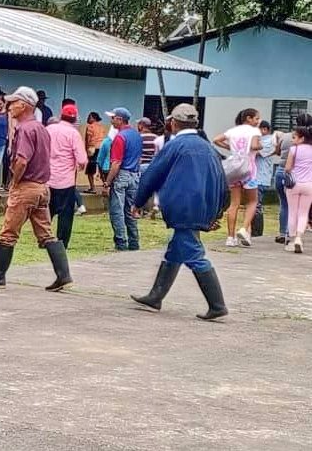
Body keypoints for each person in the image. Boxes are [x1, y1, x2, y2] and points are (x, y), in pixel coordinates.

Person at [129, 103, 229, 320]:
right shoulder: (209, 148)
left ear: (173, 123)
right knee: (176, 250)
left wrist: (138, 202)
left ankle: (217, 305)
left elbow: (152, 175)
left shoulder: (175, 146)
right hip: (203, 207)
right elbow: (223, 182)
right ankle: (155, 296)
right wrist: (219, 211)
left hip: (182, 207)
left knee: (194, 254)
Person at [0, 87, 72, 291]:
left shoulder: (25, 129)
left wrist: (14, 182)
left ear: (24, 105)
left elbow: (21, 160)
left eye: (14, 102)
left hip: (26, 187)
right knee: (46, 234)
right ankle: (63, 274)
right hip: (42, 188)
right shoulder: (41, 128)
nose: (10, 106)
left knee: (8, 233)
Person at [213, 108, 262, 247]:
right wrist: (260, 145)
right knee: (252, 202)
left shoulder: (232, 131)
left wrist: (230, 148)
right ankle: (244, 228)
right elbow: (254, 145)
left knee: (234, 204)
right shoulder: (254, 131)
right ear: (249, 118)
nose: (258, 122)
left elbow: (216, 139)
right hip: (249, 169)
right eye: (256, 119)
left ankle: (230, 237)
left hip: (235, 168)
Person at [47, 103, 88, 249]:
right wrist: (80, 165)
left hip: (48, 178)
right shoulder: (73, 134)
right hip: (65, 181)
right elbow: (82, 159)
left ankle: (44, 237)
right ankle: (62, 242)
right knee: (65, 214)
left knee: (47, 210)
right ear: (75, 118)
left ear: (60, 115)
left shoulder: (49, 129)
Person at [102, 108, 143, 251]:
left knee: (116, 210)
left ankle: (120, 242)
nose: (111, 120)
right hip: (134, 174)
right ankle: (134, 241)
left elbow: (116, 163)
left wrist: (107, 182)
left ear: (119, 119)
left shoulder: (120, 137)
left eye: (113, 117)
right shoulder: (137, 135)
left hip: (122, 175)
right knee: (130, 210)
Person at [283, 113, 312, 253]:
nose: (293, 139)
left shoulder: (294, 149)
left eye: (295, 137)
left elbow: (287, 168)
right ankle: (300, 237)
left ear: (302, 138)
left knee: (292, 211)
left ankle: (292, 239)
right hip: (309, 185)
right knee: (303, 212)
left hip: (294, 184)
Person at [273, 125, 295, 244]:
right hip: (294, 173)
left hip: (280, 170)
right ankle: (289, 233)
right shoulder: (306, 139)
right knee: (294, 205)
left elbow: (277, 151)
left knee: (283, 203)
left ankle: (282, 232)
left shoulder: (285, 136)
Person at [83, 112, 106, 194]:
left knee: (90, 169)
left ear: (94, 118)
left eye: (89, 117)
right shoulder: (101, 127)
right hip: (102, 148)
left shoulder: (90, 127)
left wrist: (86, 150)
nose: (88, 118)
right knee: (102, 168)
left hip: (92, 148)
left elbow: (88, 140)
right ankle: (105, 186)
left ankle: (92, 187)